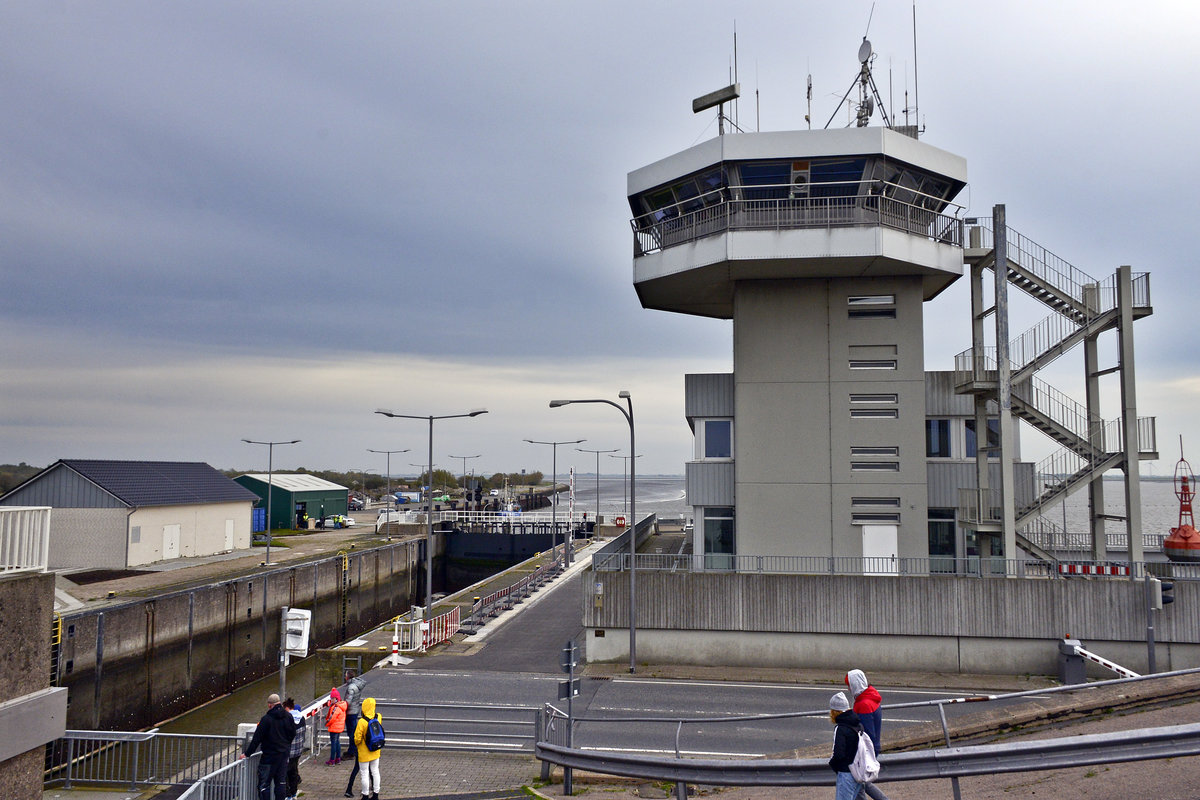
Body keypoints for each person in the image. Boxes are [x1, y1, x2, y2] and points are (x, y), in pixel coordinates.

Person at [240, 692, 296, 800]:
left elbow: (257, 738)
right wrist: (285, 744)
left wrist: (247, 754)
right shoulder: (288, 716)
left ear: (270, 705)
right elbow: (293, 733)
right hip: (283, 756)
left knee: (264, 785)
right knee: (281, 783)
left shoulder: (266, 719)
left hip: (269, 757)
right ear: (279, 703)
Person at [845, 669, 889, 800]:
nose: (848, 689)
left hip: (864, 751)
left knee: (860, 783)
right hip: (870, 749)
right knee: (861, 784)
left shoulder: (863, 704)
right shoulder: (870, 697)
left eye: (849, 685)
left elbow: (866, 734)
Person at [828, 691, 865, 800]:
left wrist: (833, 764)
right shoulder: (857, 723)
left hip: (846, 773)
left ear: (834, 712)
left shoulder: (841, 728)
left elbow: (838, 753)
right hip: (858, 771)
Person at [352, 696, 383, 800]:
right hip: (375, 749)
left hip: (364, 752)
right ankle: (376, 794)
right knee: (375, 771)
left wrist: (358, 745)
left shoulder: (362, 722)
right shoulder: (378, 717)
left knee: (364, 773)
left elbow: (357, 738)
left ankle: (365, 795)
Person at [342, 673, 367, 798]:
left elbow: (347, 702)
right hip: (356, 709)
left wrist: (340, 706)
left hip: (351, 712)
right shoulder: (358, 684)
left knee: (351, 733)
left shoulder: (351, 688)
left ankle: (352, 751)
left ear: (348, 677)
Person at [283, 697, 304, 800]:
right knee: (294, 771)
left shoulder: (288, 719)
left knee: (285, 773)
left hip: (289, 751)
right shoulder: (301, 718)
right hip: (298, 750)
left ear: (287, 708)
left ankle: (287, 795)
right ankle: (294, 793)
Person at [325, 687, 347, 765]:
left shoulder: (335, 707)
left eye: (332, 698)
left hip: (334, 728)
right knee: (337, 742)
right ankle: (338, 758)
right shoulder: (341, 706)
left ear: (336, 698)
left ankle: (332, 760)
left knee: (333, 744)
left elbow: (331, 718)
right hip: (339, 727)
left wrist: (326, 723)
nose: (331, 700)